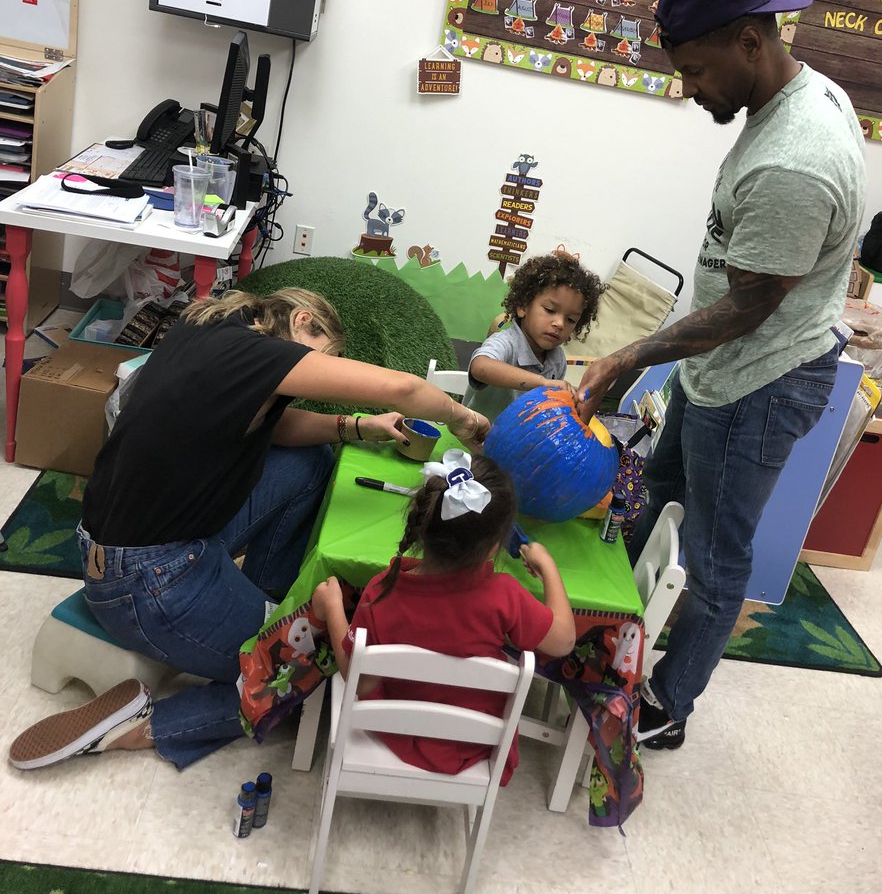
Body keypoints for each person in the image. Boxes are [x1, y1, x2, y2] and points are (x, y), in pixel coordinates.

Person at [9, 288, 490, 772]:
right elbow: (406, 390)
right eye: (326, 358)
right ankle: (140, 728)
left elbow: (273, 429)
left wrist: (358, 426)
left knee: (310, 462)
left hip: (137, 540)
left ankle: (258, 604)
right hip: (145, 579)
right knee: (305, 663)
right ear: (303, 323)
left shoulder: (218, 326)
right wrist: (464, 418)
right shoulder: (261, 354)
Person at [577, 0, 866, 751]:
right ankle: (608, 639)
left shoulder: (793, 159)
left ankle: (667, 703)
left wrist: (628, 357)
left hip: (759, 385)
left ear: (749, 41)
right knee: (653, 501)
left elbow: (747, 306)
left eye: (696, 71)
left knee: (710, 556)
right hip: (719, 375)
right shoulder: (790, 96)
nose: (689, 88)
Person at [312, 450, 575, 784]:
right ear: (494, 546)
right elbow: (564, 640)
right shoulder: (505, 595)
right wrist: (549, 568)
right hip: (473, 740)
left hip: (393, 729)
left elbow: (360, 679)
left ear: (422, 525)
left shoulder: (382, 590)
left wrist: (334, 607)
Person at [465, 251, 604, 421]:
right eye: (550, 310)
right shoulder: (506, 343)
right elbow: (480, 368)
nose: (560, 324)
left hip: (521, 438)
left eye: (570, 319)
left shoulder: (557, 360)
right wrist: (543, 383)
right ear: (523, 306)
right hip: (476, 435)